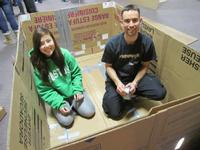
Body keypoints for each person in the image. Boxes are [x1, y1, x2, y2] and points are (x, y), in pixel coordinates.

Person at [101, 4, 166, 120]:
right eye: (127, 21)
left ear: (140, 21)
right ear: (122, 23)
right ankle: (122, 96)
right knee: (114, 114)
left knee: (160, 93)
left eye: (135, 20)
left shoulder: (147, 43)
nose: (131, 25)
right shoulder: (112, 44)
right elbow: (108, 66)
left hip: (136, 77)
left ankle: (132, 93)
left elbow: (145, 66)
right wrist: (118, 84)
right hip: (117, 80)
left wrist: (135, 83)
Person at [29, 27, 95, 127]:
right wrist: (59, 104)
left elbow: (76, 73)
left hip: (74, 92)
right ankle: (61, 107)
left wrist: (78, 90)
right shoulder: (38, 65)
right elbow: (44, 90)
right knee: (67, 121)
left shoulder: (65, 54)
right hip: (59, 98)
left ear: (53, 40)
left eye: (48, 41)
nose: (46, 45)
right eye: (41, 44)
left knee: (89, 112)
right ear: (37, 47)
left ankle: (76, 103)